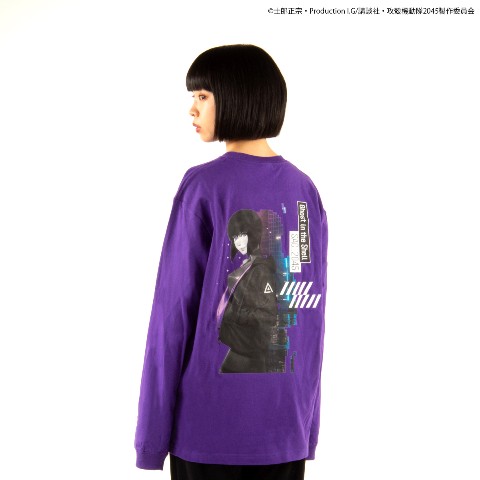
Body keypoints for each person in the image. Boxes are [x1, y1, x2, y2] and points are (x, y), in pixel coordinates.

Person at [134, 44, 329, 480]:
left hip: (209, 430)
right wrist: (306, 427)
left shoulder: (204, 187)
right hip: (284, 428)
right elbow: (311, 318)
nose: (192, 108)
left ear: (237, 96)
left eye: (203, 95)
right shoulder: (305, 190)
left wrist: (151, 438)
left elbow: (172, 316)